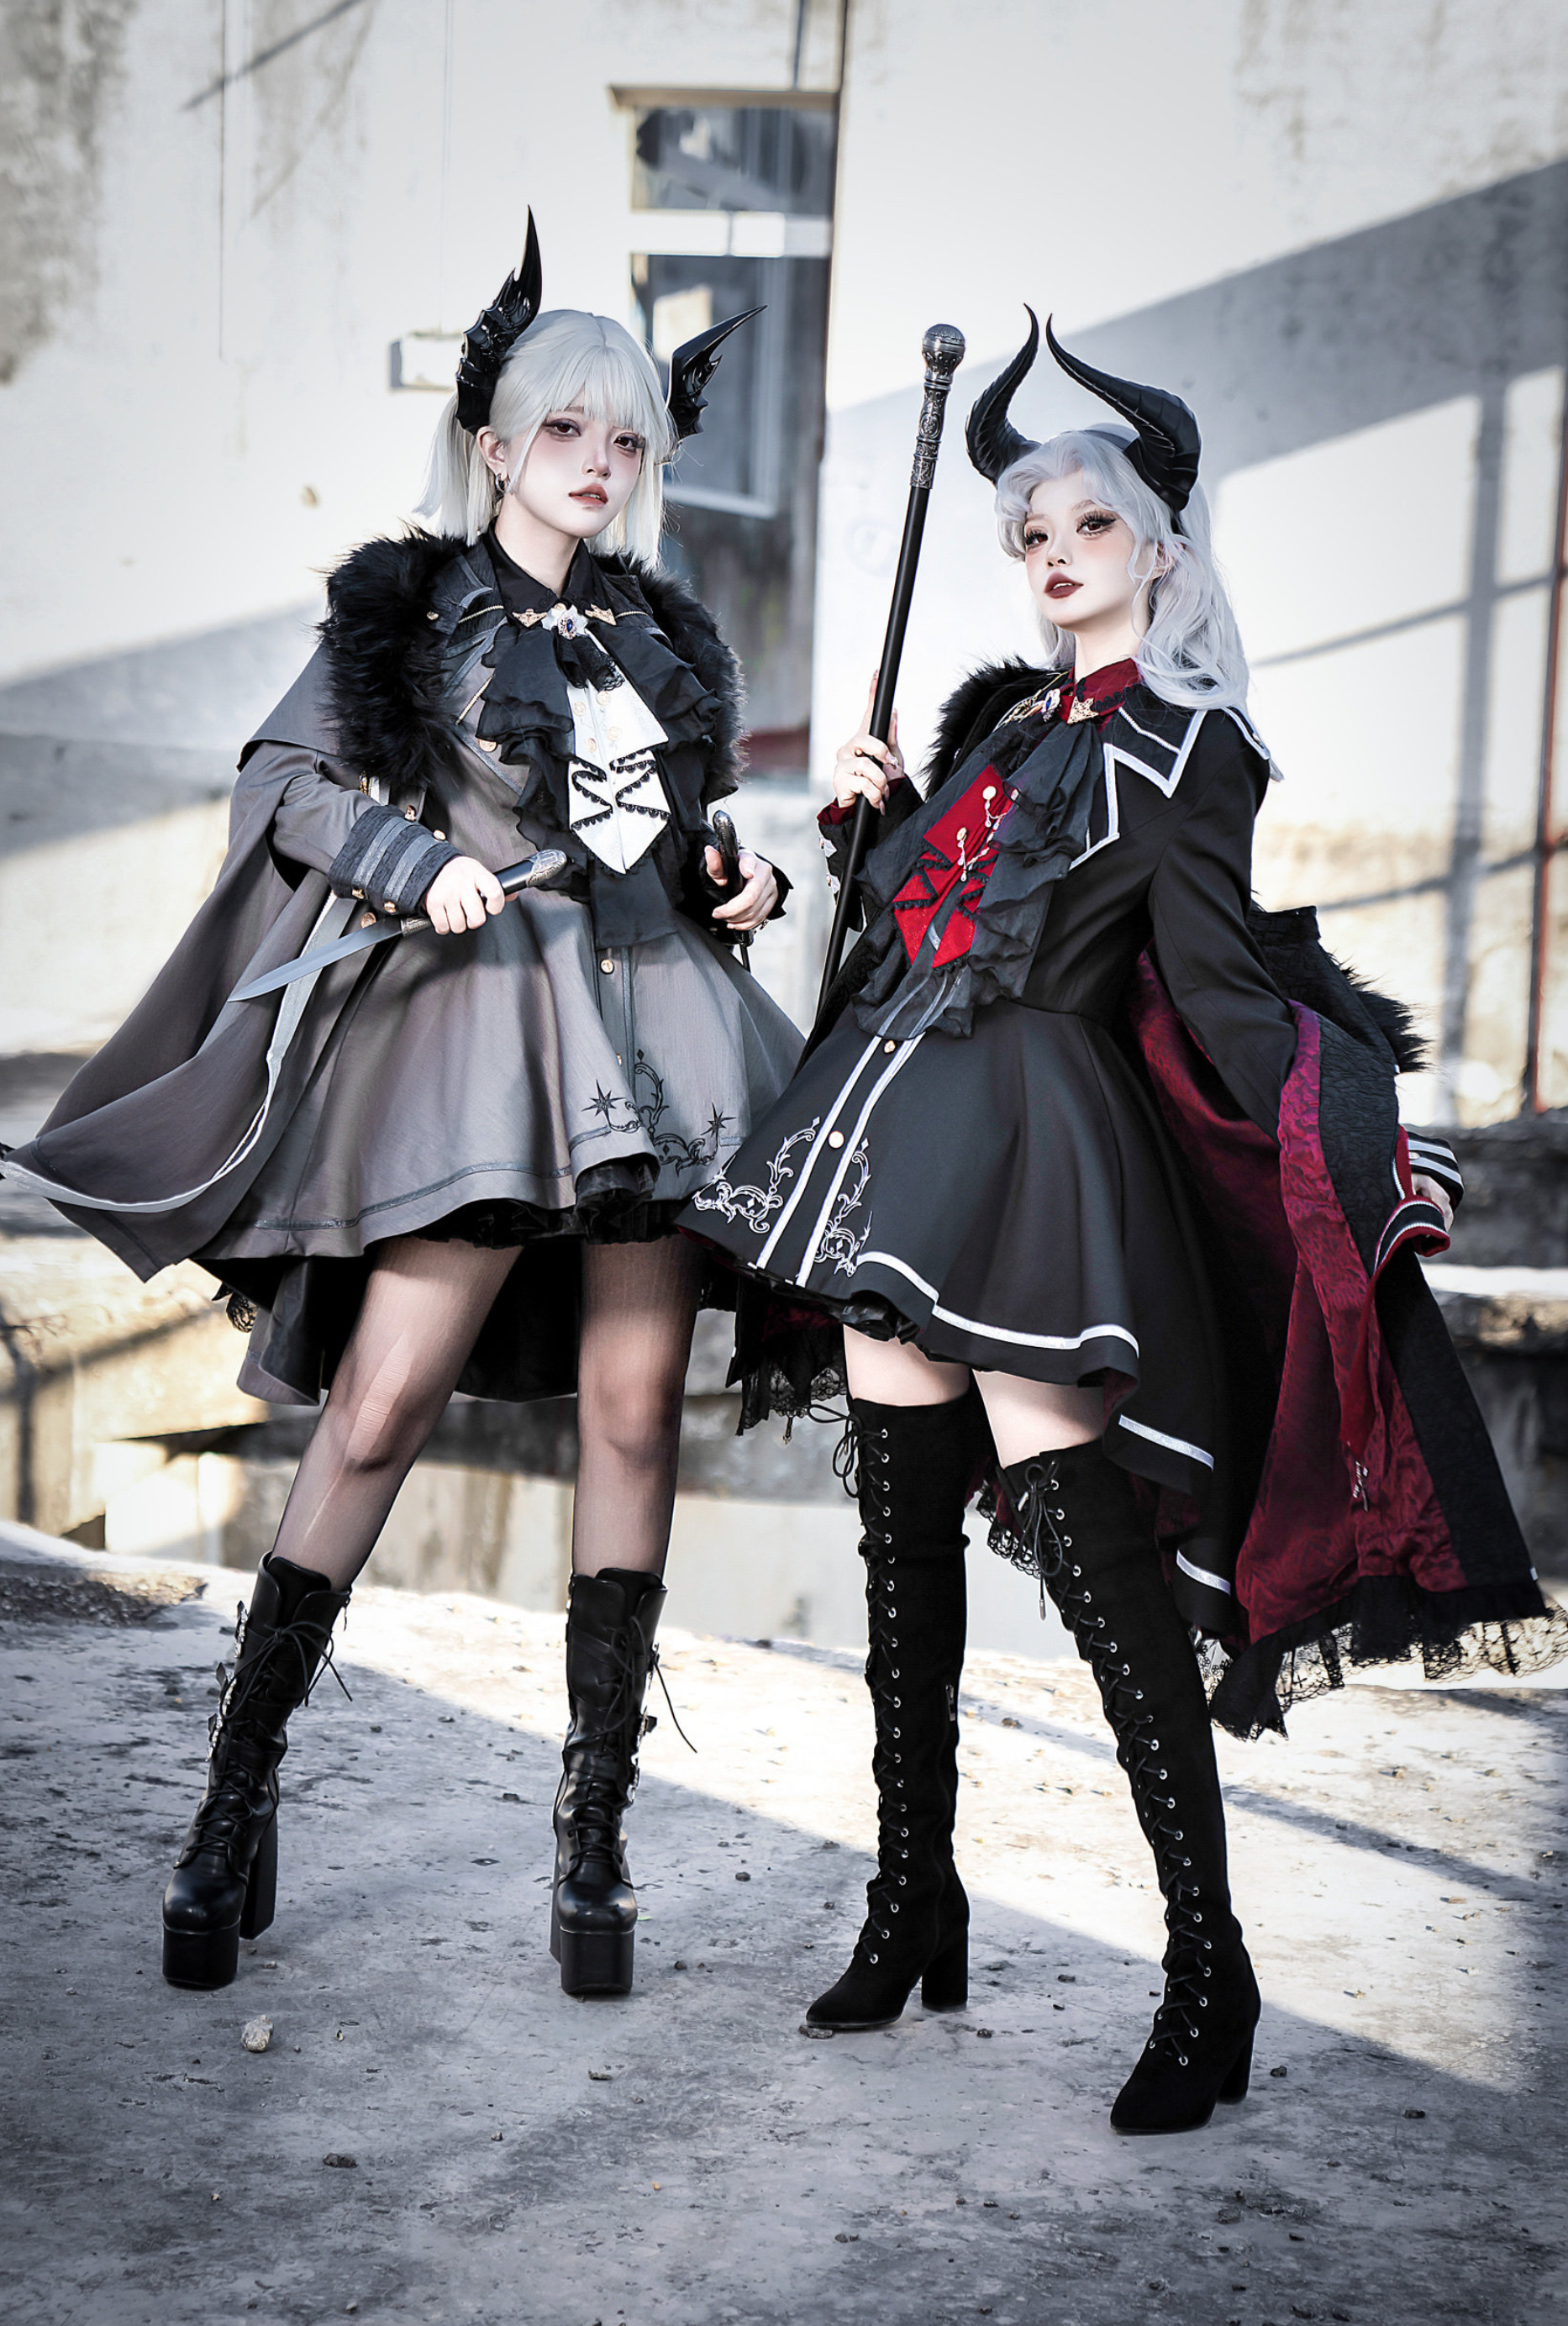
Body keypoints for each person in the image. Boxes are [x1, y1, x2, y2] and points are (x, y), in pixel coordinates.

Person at [681, 311, 1563, 2132]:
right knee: (899, 1547)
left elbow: (1222, 986)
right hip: (889, 1138)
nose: (1057, 555)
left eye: (1089, 525)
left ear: (1160, 545)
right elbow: (912, 934)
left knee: (1094, 1571)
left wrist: (1352, 1138)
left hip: (1030, 1161)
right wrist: (873, 822)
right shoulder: (1005, 731)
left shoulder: (1190, 746)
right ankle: (912, 1899)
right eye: (1032, 534)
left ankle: (1206, 1970)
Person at [3, 222, 801, 2002]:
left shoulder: (662, 632)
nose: (598, 462)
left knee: (636, 1411)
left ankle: (591, 1837)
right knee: (376, 1409)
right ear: (496, 442)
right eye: (565, 429)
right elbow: (284, 778)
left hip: (664, 1040)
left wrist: (736, 880)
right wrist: (407, 855)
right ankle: (235, 1798)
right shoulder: (411, 606)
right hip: (488, 1044)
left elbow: (675, 836)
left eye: (625, 438)